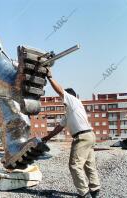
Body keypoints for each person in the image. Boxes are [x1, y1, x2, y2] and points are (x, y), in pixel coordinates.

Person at [42, 68, 100, 198]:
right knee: (89, 164)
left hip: (82, 137)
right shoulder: (70, 112)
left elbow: (60, 91)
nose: (62, 102)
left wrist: (50, 77)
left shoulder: (73, 101)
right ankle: (95, 190)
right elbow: (59, 127)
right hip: (89, 136)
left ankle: (83, 192)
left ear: (69, 97)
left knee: (74, 165)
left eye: (63, 99)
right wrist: (47, 137)